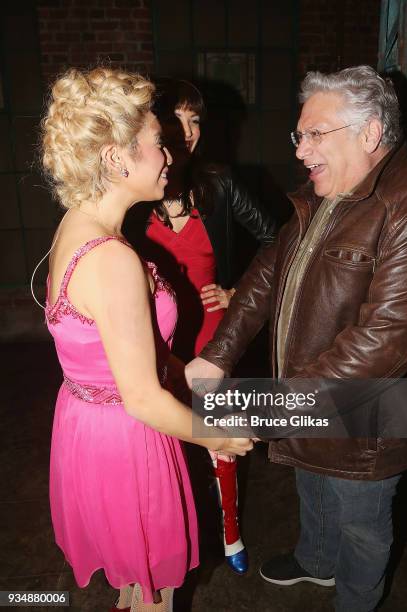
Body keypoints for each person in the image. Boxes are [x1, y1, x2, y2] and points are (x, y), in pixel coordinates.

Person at [185, 65, 407, 611]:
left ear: (370, 133)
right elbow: (265, 272)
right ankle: (316, 562)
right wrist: (219, 353)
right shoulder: (327, 190)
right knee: (313, 483)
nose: (301, 151)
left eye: (314, 134)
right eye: (298, 136)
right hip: (310, 393)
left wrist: (268, 409)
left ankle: (352, 599)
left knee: (361, 524)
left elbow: (382, 345)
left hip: (376, 414)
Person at [39, 67, 252, 612]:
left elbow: (120, 351)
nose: (169, 154)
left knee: (136, 581)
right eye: (159, 143)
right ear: (116, 158)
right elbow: (141, 397)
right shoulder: (112, 259)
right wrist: (218, 438)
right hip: (127, 438)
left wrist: (183, 369)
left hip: (88, 425)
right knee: (155, 589)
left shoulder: (76, 224)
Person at [129, 78, 277, 575]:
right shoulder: (134, 194)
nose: (187, 132)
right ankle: (180, 528)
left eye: (195, 122)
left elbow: (277, 242)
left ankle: (231, 531)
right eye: (176, 120)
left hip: (214, 332)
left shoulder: (219, 182)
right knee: (167, 438)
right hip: (157, 335)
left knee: (222, 437)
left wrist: (237, 292)